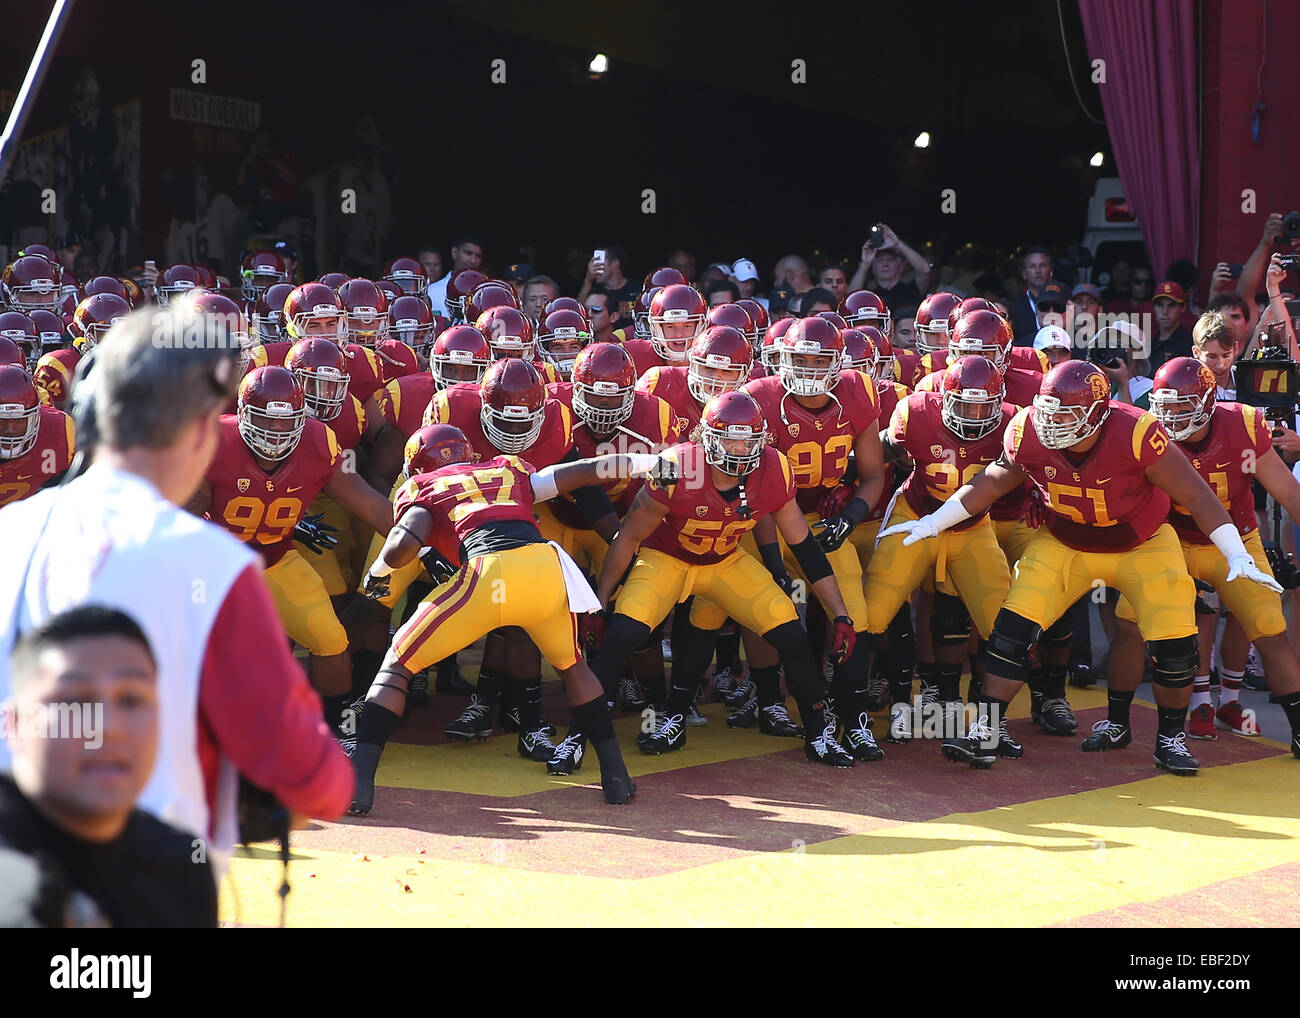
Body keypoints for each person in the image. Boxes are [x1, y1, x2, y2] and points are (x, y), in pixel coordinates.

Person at [0, 306, 353, 874]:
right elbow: (316, 780)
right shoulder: (212, 564)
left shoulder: (9, 533)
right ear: (198, 432)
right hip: (137, 874)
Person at [880, 360, 1283, 774]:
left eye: (1065, 415)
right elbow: (992, 481)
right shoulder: (1028, 428)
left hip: (1141, 544)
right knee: (1010, 633)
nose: (1052, 423)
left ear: (1097, 412)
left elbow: (1198, 497)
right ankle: (987, 729)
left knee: (1175, 649)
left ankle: (1170, 738)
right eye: (1048, 412)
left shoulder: (1138, 432)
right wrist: (934, 521)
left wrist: (1236, 552)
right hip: (1065, 541)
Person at [0, 606, 218, 927]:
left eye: (131, 700)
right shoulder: (18, 890)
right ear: (15, 724)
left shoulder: (180, 869)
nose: (108, 726)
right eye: (74, 703)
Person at [426, 234, 484, 318]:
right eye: (468, 253)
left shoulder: (484, 293)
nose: (473, 260)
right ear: (454, 252)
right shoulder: (432, 291)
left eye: (478, 256)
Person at [1009, 247, 1053, 344]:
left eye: (1042, 265)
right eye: (1032, 266)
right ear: (1024, 273)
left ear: (1050, 271)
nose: (1038, 271)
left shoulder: (1062, 305)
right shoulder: (1014, 309)